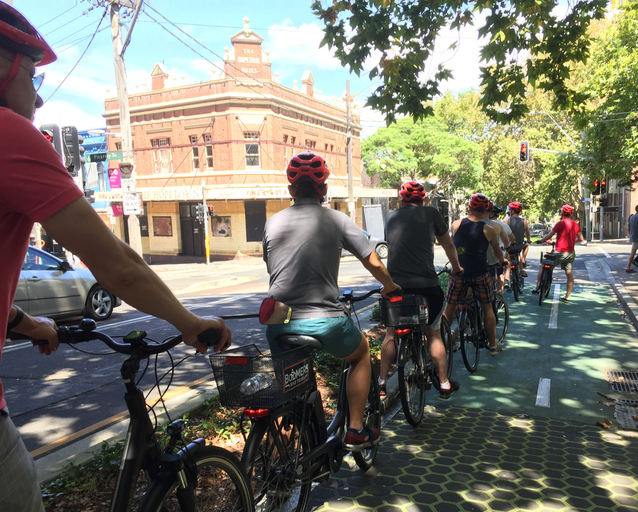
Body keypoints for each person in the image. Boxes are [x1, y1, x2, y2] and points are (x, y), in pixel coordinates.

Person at [0, 5, 232, 512]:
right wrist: (189, 323)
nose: (38, 95)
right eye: (33, 76)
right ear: (5, 67)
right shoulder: (9, 134)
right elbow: (117, 264)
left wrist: (22, 321)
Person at [262, 151, 400, 450]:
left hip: (277, 320)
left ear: (290, 190)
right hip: (324, 320)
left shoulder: (272, 223)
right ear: (324, 190)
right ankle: (354, 429)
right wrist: (389, 285)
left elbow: (273, 268)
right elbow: (374, 262)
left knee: (292, 386)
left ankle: (295, 447)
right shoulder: (337, 219)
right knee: (360, 354)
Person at [379, 181, 463, 400]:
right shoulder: (432, 213)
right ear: (424, 198)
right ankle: (444, 383)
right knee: (433, 333)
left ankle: (380, 383)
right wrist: (456, 268)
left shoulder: (390, 217)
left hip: (396, 287)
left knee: (390, 333)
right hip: (426, 286)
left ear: (401, 199)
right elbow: (448, 245)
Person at [443, 193, 505, 357]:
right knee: (487, 308)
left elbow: (452, 244)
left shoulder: (456, 224)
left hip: (459, 274)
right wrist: (501, 261)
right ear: (485, 211)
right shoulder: (489, 230)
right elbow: (497, 251)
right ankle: (492, 345)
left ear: (469, 208)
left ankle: (442, 342)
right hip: (480, 274)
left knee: (449, 306)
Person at [532, 205, 585, 303]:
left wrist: (541, 240)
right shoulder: (575, 225)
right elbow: (581, 239)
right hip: (570, 253)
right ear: (571, 214)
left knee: (543, 266)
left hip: (559, 252)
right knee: (569, 274)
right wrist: (572, 241)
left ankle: (537, 288)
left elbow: (549, 236)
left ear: (562, 214)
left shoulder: (560, 224)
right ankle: (566, 297)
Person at [484, 203, 512, 292]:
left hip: (476, 260)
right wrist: (507, 247)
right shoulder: (499, 225)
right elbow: (507, 241)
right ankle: (501, 290)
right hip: (495, 256)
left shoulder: (466, 224)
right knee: (503, 266)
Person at [504, 202, 531, 282]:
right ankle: (523, 262)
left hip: (508, 246)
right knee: (524, 247)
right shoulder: (524, 221)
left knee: (505, 259)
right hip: (519, 246)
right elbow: (528, 234)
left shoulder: (507, 220)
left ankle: (506, 277)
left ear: (511, 210)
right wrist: (529, 240)